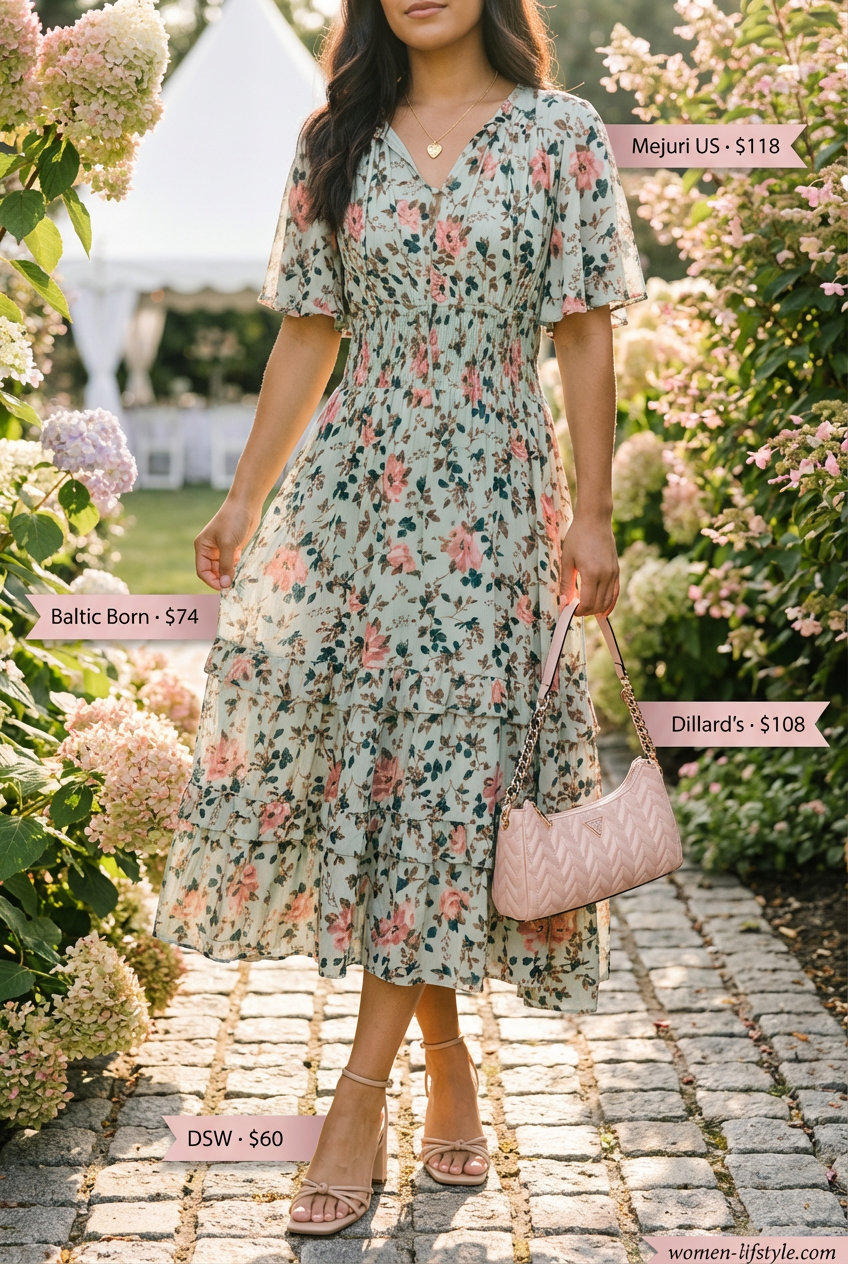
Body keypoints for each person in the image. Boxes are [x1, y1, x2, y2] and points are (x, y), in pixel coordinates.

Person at [153, 0, 647, 1237]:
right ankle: (450, 1064)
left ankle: (356, 1101)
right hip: (353, 498)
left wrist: (591, 512)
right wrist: (242, 500)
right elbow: (306, 334)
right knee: (382, 778)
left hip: (491, 498)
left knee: (446, 779)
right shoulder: (337, 136)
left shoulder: (558, 132)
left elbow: (583, 332)